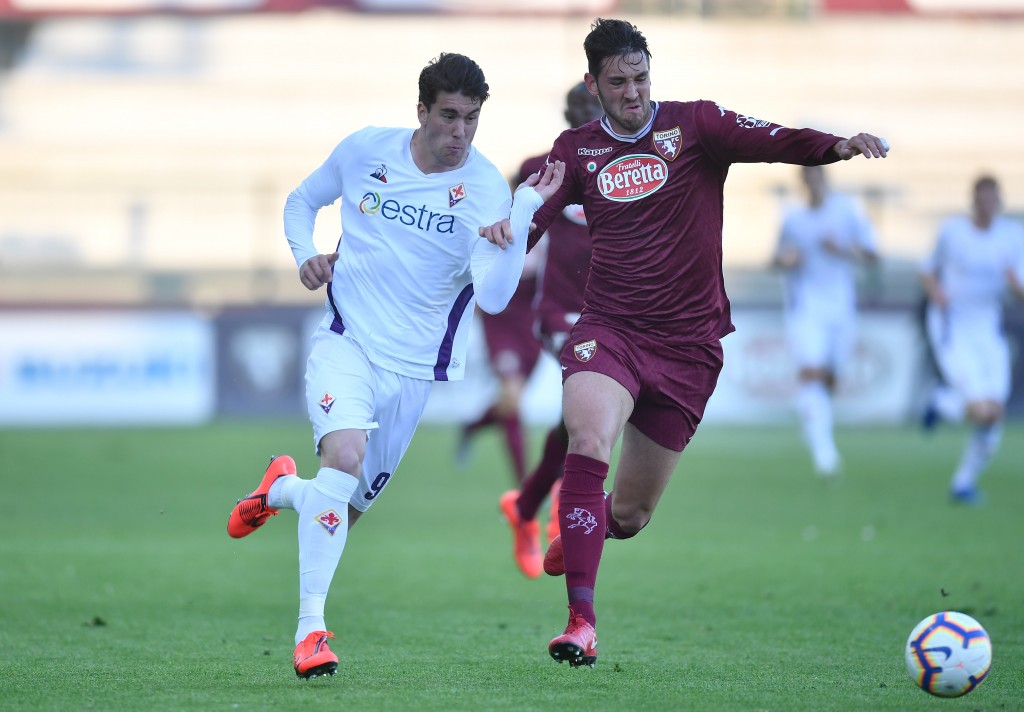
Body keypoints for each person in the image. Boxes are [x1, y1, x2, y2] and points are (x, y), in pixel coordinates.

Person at [481, 17, 889, 668]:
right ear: (594, 83)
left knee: (635, 513)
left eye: (641, 77)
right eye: (618, 83)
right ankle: (581, 619)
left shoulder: (695, 126)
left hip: (688, 349)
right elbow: (528, 220)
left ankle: (581, 530)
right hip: (608, 329)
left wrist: (836, 146)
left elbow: (773, 139)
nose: (634, 93)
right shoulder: (577, 149)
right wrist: (496, 243)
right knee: (587, 441)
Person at [225, 52, 565, 679]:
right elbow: (302, 202)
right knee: (344, 460)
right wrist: (305, 256)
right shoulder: (364, 151)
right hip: (345, 339)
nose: (459, 132)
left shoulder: (488, 187)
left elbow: (493, 297)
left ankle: (281, 490)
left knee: (342, 508)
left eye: (470, 119)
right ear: (421, 111)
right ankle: (311, 632)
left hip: (414, 372)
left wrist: (519, 217)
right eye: (448, 117)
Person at [498, 81, 603, 579]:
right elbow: (508, 221)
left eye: (595, 106)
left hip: (612, 312)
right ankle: (567, 514)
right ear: (567, 113)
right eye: (579, 108)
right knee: (587, 413)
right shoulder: (540, 169)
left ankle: (525, 507)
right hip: (559, 311)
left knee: (579, 422)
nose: (587, 115)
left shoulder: (629, 167)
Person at [919, 175, 1024, 505]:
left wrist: (1013, 283)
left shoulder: (1012, 236)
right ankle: (944, 401)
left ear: (999, 201)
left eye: (992, 199)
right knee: (981, 410)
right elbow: (926, 270)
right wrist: (936, 293)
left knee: (994, 412)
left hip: (988, 329)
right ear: (973, 201)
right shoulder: (952, 231)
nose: (986, 205)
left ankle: (963, 482)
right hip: (955, 326)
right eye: (981, 199)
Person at [772, 165, 879, 478]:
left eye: (817, 176)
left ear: (825, 179)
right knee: (812, 372)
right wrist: (786, 260)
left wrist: (843, 249)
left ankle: (811, 414)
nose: (813, 183)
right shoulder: (793, 218)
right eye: (808, 177)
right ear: (803, 182)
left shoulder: (847, 210)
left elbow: (873, 254)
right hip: (806, 308)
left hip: (841, 308)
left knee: (828, 379)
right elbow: (775, 257)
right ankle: (825, 453)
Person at [455, 237, 545, 485]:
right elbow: (477, 280)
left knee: (508, 405)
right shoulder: (497, 228)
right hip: (502, 328)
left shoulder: (549, 228)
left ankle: (472, 427)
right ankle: (524, 484)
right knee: (513, 399)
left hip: (532, 333)